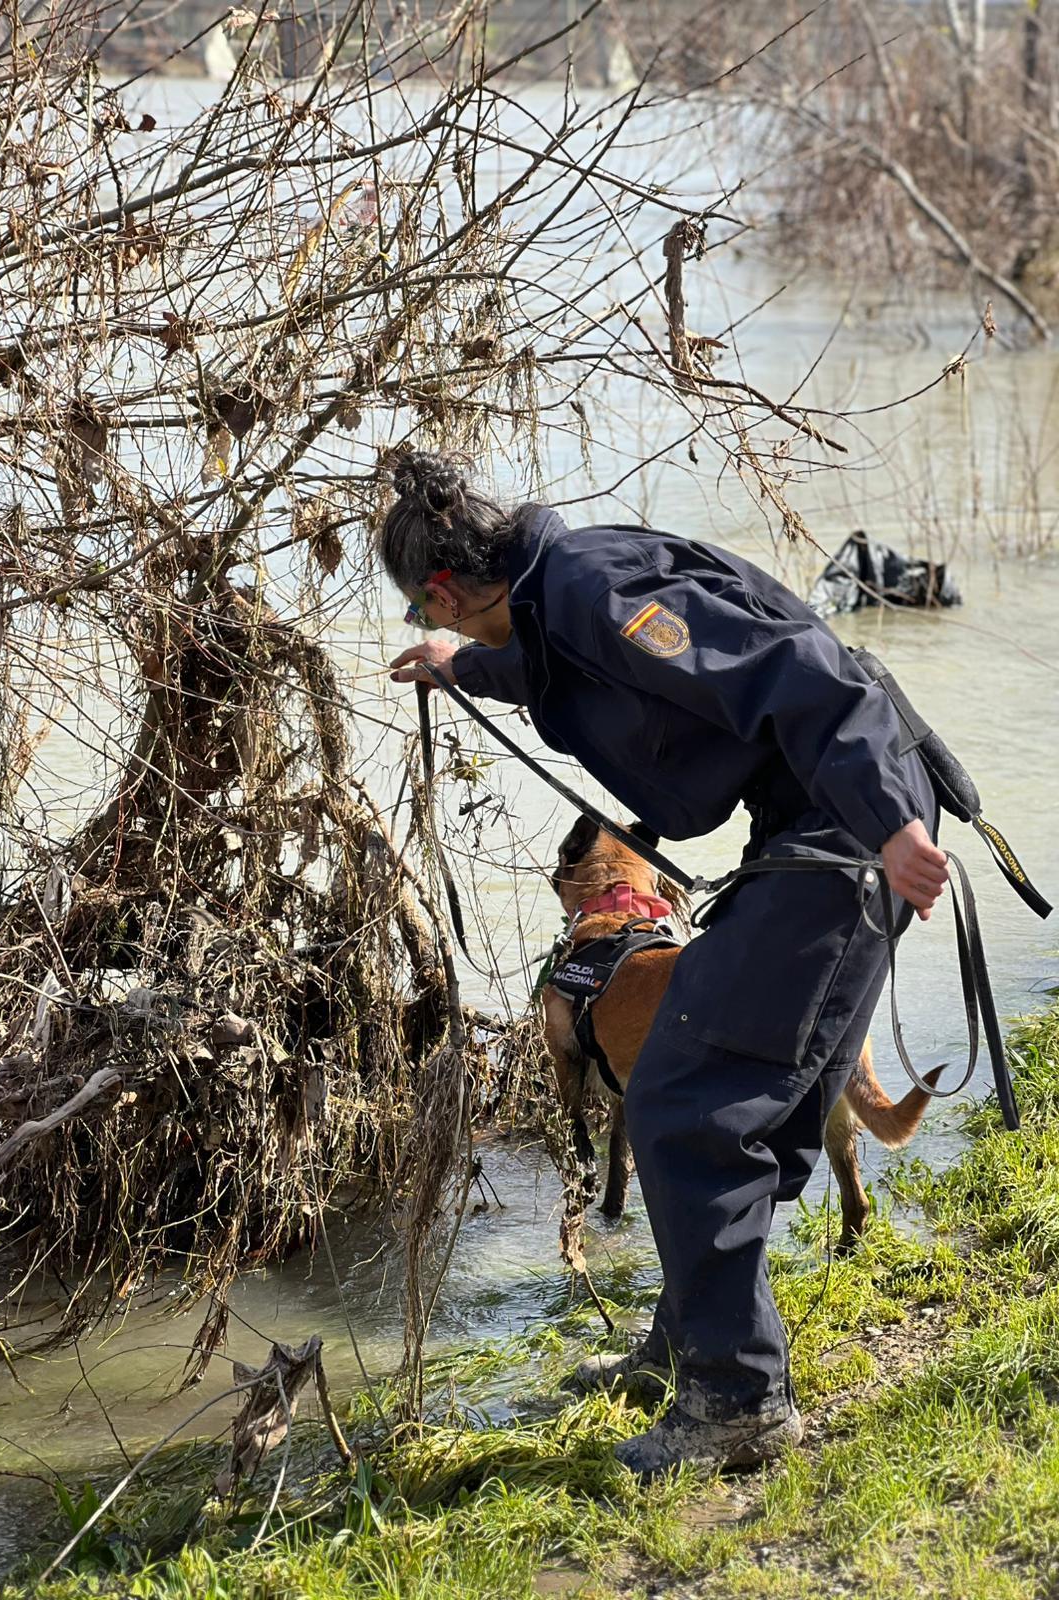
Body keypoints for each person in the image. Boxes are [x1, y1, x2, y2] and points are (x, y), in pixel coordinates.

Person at [380, 450, 947, 1477]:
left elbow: (794, 669)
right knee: (751, 1105)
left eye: (432, 613)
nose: (440, 622)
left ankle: (737, 1403)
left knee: (686, 1103)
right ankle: (689, 1347)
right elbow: (556, 671)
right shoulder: (560, 595)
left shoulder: (595, 590)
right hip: (829, 812)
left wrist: (889, 821)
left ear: (445, 587)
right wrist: (457, 667)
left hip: (851, 817)